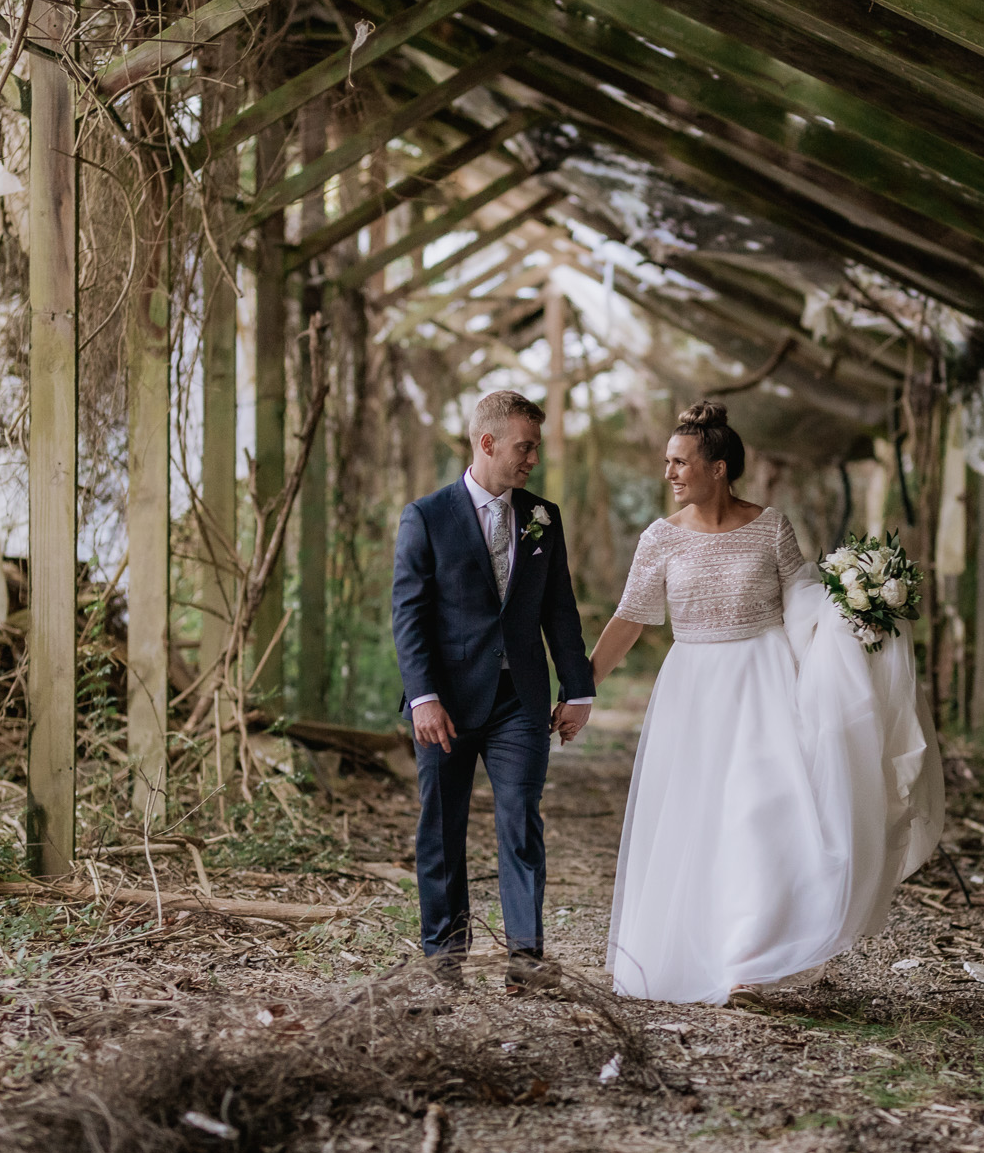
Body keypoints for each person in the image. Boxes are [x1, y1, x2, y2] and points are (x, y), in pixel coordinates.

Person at [588, 401, 943, 1005]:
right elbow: (630, 620)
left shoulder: (771, 526)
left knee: (760, 812)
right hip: (693, 689)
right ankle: (699, 945)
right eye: (667, 463)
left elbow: (801, 601)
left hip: (765, 682)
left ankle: (745, 962)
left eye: (681, 462)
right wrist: (582, 686)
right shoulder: (660, 538)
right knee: (701, 818)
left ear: (719, 468)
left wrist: (853, 610)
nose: (670, 474)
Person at [392, 390, 596, 995]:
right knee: (442, 828)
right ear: (487, 443)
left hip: (521, 703)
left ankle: (526, 960)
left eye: (535, 445)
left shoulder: (542, 516)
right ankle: (443, 960)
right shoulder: (426, 516)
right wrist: (422, 696)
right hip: (446, 705)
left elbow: (560, 608)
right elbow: (408, 615)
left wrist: (578, 689)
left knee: (521, 824)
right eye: (523, 446)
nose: (533, 457)